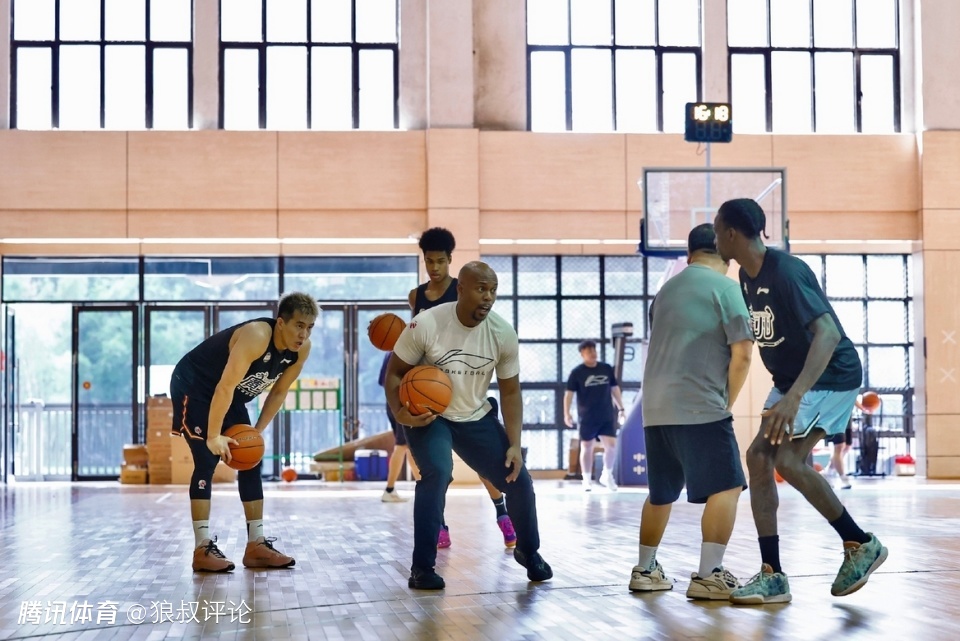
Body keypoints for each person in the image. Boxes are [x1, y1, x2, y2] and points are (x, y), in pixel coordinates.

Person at [713, 198, 888, 604]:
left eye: (718, 230)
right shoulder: (745, 276)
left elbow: (828, 334)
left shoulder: (787, 272)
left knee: (788, 462)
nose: (715, 238)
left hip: (830, 375)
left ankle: (860, 543)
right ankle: (773, 574)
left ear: (732, 233)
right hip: (792, 380)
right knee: (759, 458)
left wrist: (793, 398)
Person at [385, 261, 552, 590]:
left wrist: (514, 444)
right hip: (430, 416)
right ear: (460, 289)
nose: (488, 297)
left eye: (493, 290)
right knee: (437, 473)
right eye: (481, 289)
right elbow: (394, 373)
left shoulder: (502, 333)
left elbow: (510, 391)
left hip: (475, 415)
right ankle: (422, 569)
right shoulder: (426, 324)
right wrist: (400, 413)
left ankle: (529, 551)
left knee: (518, 479)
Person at [628, 223, 754, 600]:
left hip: (655, 410)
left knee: (661, 493)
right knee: (728, 486)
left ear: (689, 254)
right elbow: (743, 353)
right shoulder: (726, 288)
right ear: (726, 253)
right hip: (700, 406)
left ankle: (645, 570)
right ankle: (708, 575)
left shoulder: (664, 292)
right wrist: (725, 403)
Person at [171, 292, 319, 573]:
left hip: (229, 395)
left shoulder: (301, 349)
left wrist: (257, 432)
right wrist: (213, 436)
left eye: (310, 327)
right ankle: (202, 548)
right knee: (206, 458)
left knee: (250, 458)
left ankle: (256, 545)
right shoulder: (257, 335)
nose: (304, 334)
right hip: (195, 386)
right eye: (299, 325)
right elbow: (225, 386)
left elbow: (279, 392)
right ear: (281, 323)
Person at [408, 227, 516, 549]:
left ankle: (502, 513)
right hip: (432, 393)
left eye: (440, 261)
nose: (435, 267)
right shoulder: (416, 296)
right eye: (430, 261)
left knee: (485, 467)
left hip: (466, 390)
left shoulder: (464, 290)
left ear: (450, 260)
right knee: (435, 469)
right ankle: (439, 524)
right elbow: (415, 340)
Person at [563, 340, 625, 492]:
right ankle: (586, 479)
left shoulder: (606, 368)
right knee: (587, 446)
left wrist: (621, 408)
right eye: (589, 351)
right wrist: (567, 413)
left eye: (594, 350)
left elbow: (615, 389)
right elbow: (569, 394)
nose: (592, 353)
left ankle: (607, 475)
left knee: (611, 446)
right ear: (582, 354)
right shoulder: (577, 372)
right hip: (587, 417)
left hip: (606, 414)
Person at [379, 351, 421, 502]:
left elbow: (383, 381)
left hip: (391, 403)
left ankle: (422, 486)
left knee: (409, 447)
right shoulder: (404, 353)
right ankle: (389, 489)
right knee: (402, 446)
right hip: (402, 404)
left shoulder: (389, 353)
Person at [822, 419, 853, 490]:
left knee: (847, 447)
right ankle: (843, 478)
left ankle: (828, 472)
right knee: (839, 446)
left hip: (847, 417)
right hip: (837, 418)